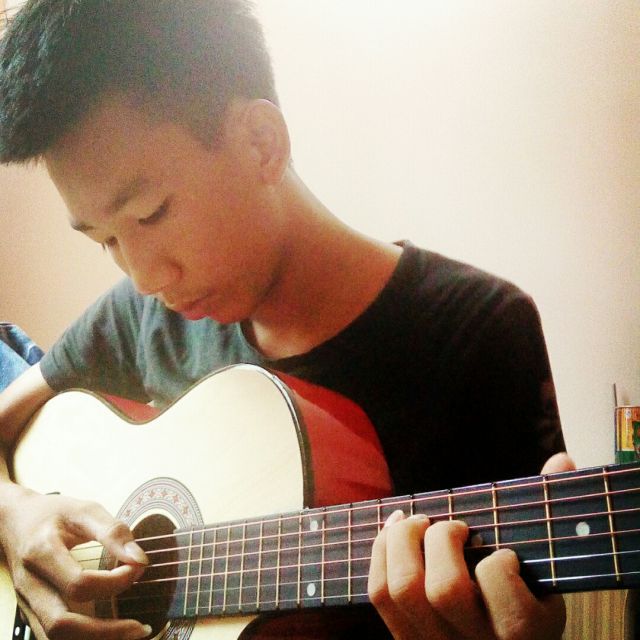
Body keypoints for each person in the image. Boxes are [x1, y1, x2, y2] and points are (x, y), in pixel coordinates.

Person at [0, 1, 571, 638]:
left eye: (151, 213)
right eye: (104, 240)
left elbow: (519, 597)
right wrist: (13, 512)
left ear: (260, 144)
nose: (144, 278)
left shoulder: (479, 332)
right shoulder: (138, 318)